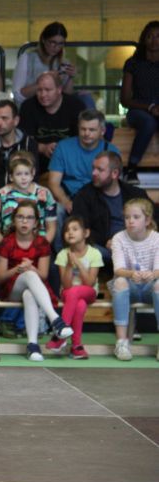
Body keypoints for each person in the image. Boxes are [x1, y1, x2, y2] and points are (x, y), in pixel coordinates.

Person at [0, 200, 72, 362]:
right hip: (11, 289)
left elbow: (43, 275)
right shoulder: (6, 242)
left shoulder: (42, 243)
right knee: (29, 276)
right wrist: (19, 269)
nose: (24, 221)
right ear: (14, 220)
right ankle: (56, 320)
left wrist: (31, 268)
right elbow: (0, 277)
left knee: (30, 293)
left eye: (29, 218)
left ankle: (33, 346)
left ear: (36, 222)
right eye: (20, 217)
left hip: (35, 287)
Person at [72, 151, 157, 269]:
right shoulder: (84, 195)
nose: (94, 173)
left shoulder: (135, 193)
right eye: (93, 168)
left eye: (100, 170)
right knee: (90, 251)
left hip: (138, 244)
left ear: (115, 173)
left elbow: (154, 218)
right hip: (107, 247)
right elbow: (81, 228)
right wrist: (106, 241)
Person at [48, 109, 120, 246]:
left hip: (99, 197)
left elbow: (113, 183)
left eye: (92, 130)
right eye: (83, 129)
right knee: (56, 210)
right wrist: (65, 201)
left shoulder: (111, 151)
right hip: (70, 196)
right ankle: (61, 256)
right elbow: (53, 182)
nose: (87, 133)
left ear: (102, 131)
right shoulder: (63, 147)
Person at [107, 198, 159, 362]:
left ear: (148, 220)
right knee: (120, 281)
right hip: (130, 286)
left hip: (150, 287)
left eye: (136, 217)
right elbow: (118, 269)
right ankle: (122, 342)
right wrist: (131, 274)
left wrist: (153, 274)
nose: (130, 221)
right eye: (127, 217)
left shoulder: (156, 238)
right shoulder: (119, 238)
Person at [46, 215, 102, 360]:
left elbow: (89, 283)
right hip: (67, 293)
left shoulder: (95, 253)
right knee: (79, 304)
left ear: (86, 233)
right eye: (67, 230)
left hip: (89, 292)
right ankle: (76, 347)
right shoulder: (62, 254)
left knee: (77, 293)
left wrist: (78, 263)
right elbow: (66, 285)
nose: (70, 232)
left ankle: (60, 334)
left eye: (75, 229)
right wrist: (70, 265)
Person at [18, 71, 86, 174]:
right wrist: (43, 148)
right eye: (39, 90)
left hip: (69, 160)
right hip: (37, 162)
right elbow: (23, 141)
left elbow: (83, 138)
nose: (43, 94)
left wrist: (61, 150)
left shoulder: (75, 106)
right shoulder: (28, 107)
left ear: (59, 90)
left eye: (48, 90)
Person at [119, 20, 159, 184]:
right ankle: (131, 169)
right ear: (143, 39)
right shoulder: (133, 63)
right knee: (149, 122)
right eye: (149, 36)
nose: (154, 40)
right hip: (138, 111)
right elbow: (125, 99)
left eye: (158, 36)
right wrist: (150, 107)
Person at [0, 151, 58, 245]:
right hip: (9, 246)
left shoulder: (44, 193)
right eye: (18, 173)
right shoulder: (0, 195)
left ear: (33, 172)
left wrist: (42, 248)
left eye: (26, 173)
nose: (23, 177)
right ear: (11, 175)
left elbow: (51, 228)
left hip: (39, 245)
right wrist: (7, 248)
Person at [13, 22, 78, 104]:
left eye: (61, 43)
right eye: (52, 42)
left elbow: (66, 97)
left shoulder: (64, 63)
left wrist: (70, 78)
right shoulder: (27, 59)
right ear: (43, 40)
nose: (56, 47)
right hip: (31, 107)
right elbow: (17, 95)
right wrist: (45, 82)